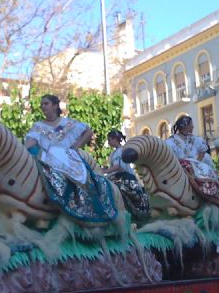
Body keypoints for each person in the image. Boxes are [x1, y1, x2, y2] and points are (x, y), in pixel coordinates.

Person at [24, 94, 117, 224]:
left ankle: (85, 208)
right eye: (42, 104)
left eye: (46, 103)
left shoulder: (67, 123)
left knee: (83, 176)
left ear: (55, 105)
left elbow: (88, 131)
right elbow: (30, 143)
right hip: (48, 157)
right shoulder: (38, 126)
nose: (42, 106)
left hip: (68, 156)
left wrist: (76, 146)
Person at [165, 115, 219, 207]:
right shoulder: (171, 142)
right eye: (191, 124)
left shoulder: (194, 139)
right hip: (181, 167)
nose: (192, 126)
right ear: (184, 126)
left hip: (197, 165)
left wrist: (196, 162)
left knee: (207, 159)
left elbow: (203, 150)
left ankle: (216, 192)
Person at [102, 129, 150, 217]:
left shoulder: (120, 151)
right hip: (118, 176)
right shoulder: (115, 152)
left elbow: (118, 167)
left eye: (109, 140)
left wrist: (104, 171)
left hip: (124, 177)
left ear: (114, 139)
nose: (108, 142)